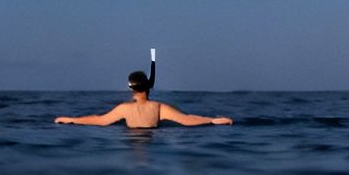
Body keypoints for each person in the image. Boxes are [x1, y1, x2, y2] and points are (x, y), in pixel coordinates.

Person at [55, 65, 232, 127]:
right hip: (152, 145)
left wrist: (72, 119)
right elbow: (186, 119)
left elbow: (100, 120)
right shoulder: (159, 108)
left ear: (131, 88)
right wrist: (213, 120)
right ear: (148, 87)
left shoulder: (123, 108)